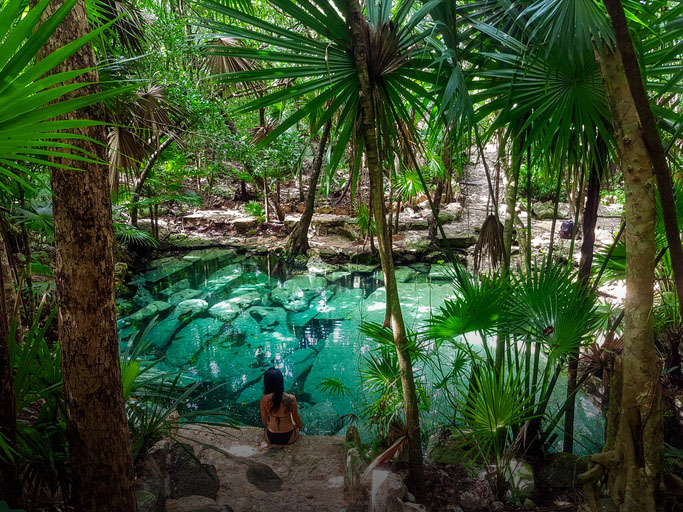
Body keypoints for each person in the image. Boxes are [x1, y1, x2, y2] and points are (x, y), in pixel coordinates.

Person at [260, 367, 303, 445]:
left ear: (266, 382)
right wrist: (299, 427)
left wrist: (270, 426)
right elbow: (296, 417)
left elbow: (264, 419)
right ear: (280, 382)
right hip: (289, 436)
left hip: (271, 437)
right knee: (292, 418)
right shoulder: (291, 398)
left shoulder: (264, 398)